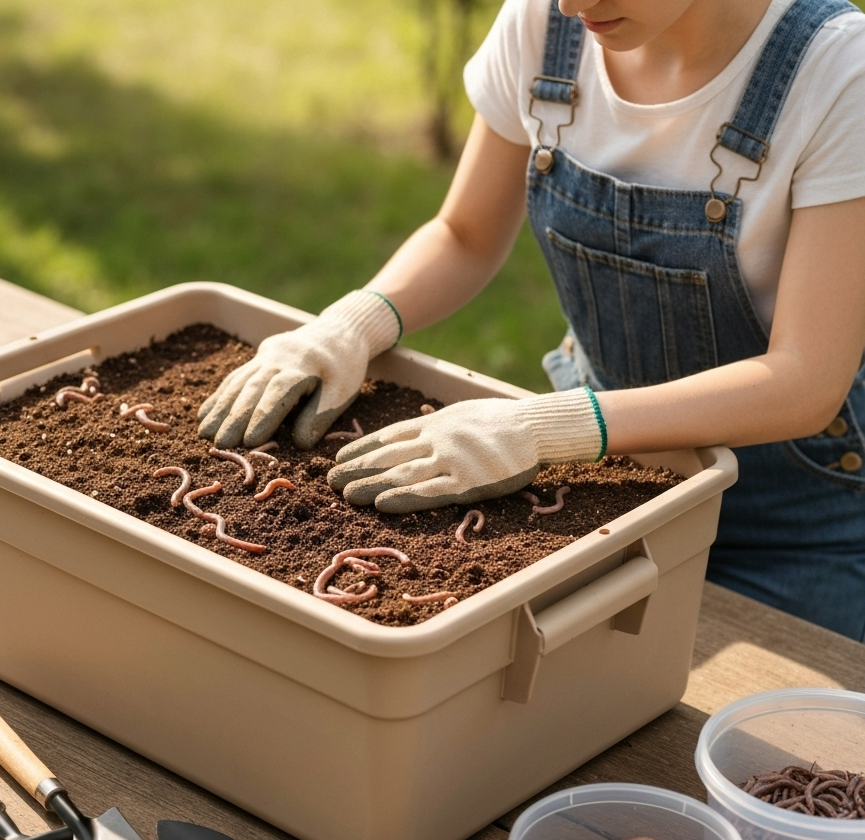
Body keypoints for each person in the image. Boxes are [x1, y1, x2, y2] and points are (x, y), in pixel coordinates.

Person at [198, 0, 865, 641]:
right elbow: (465, 235)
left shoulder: (836, 71)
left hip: (791, 524)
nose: (574, 5)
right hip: (606, 480)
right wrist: (353, 324)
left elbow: (805, 381)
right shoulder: (542, 24)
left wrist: (549, 427)